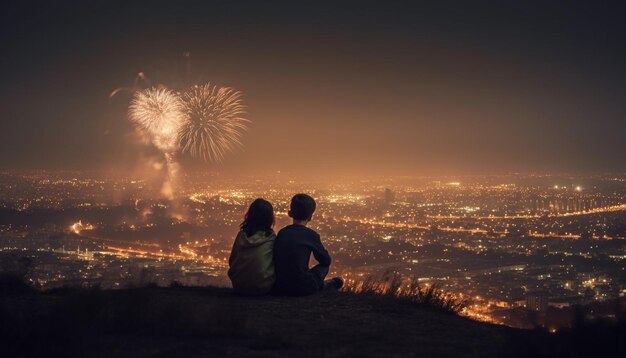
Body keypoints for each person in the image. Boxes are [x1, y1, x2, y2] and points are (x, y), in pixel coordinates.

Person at [272, 193, 343, 295]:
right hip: (302, 287)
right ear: (310, 217)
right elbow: (326, 261)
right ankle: (325, 284)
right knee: (324, 267)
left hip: (280, 285)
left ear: (290, 213)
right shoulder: (311, 235)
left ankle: (325, 284)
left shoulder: (282, 233)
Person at [228, 198, 276, 295]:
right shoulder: (271, 238)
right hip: (264, 287)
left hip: (239, 285)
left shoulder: (241, 236)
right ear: (270, 218)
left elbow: (232, 260)